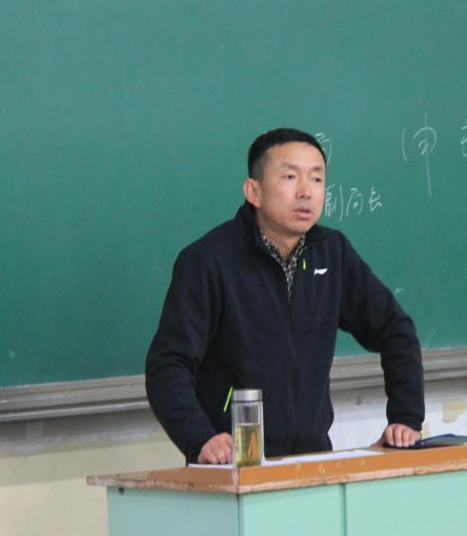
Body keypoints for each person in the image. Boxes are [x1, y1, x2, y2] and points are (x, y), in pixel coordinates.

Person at [145, 128, 425, 464]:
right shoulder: (209, 261)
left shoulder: (332, 253)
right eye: (290, 177)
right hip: (235, 464)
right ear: (254, 191)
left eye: (317, 179)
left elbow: (396, 330)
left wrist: (406, 417)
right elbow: (168, 365)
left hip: (313, 461)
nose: (306, 191)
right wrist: (200, 438)